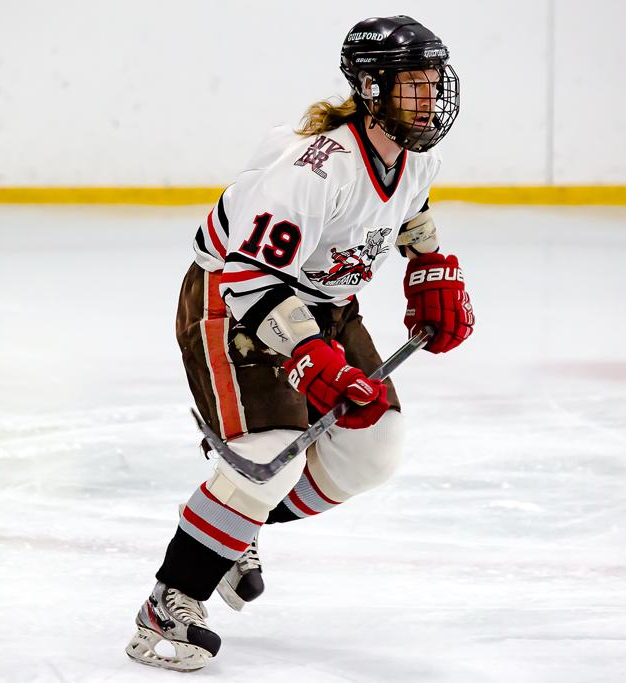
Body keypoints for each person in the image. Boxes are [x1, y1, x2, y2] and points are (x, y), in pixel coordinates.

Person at [125, 15, 474, 672]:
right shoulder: (317, 169)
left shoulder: (414, 153)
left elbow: (407, 207)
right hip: (233, 299)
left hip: (323, 300)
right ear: (371, 90)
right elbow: (247, 274)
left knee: (374, 447)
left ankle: (232, 527)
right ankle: (171, 598)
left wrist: (428, 262)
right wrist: (307, 355)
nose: (428, 100)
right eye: (412, 87)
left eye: (433, 84)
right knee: (267, 459)